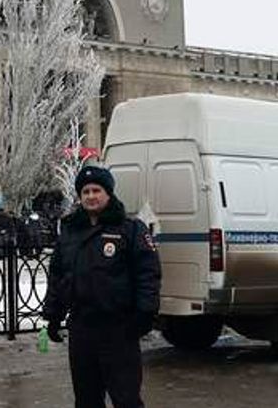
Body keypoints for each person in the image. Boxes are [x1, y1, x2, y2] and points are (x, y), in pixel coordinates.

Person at [42, 166, 162, 408]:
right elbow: (58, 275)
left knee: (126, 399)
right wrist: (53, 316)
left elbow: (147, 274)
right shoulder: (70, 231)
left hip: (118, 329)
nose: (91, 196)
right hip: (82, 329)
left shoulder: (130, 229)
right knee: (86, 399)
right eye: (85, 191)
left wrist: (144, 315)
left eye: (96, 190)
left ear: (108, 193)